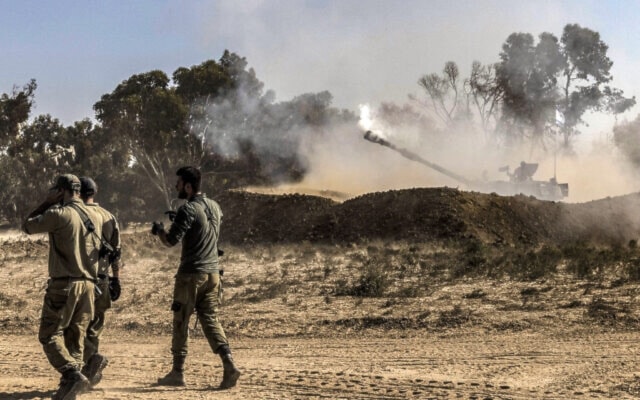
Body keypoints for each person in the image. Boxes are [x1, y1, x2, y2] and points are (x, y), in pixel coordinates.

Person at [151, 166, 240, 389]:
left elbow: (170, 241)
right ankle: (229, 364)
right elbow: (204, 232)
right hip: (213, 274)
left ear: (188, 186)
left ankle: (177, 373)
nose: (176, 186)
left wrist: (160, 230)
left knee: (181, 321)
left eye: (179, 183)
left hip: (191, 275)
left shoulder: (187, 209)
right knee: (210, 319)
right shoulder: (215, 206)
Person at [22, 174, 103, 400]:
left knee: (49, 335)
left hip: (64, 285)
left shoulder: (58, 214)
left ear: (61, 191)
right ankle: (70, 387)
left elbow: (27, 226)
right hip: (88, 286)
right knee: (75, 336)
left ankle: (71, 373)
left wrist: (47, 202)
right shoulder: (95, 215)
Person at [79, 176, 122, 388]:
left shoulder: (75, 214)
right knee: (95, 327)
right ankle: (90, 371)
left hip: (82, 279)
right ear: (94, 193)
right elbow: (116, 252)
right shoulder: (109, 216)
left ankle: (87, 366)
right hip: (104, 279)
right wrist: (117, 279)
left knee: (75, 326)